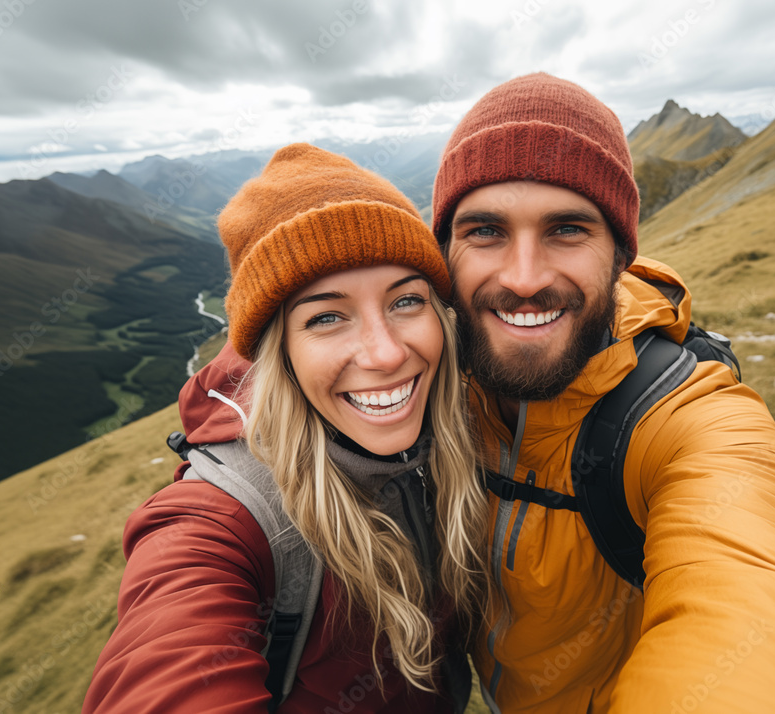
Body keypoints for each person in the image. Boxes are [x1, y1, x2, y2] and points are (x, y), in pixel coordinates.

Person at [429, 73, 775, 713]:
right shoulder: (429, 380)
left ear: (620, 254)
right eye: (484, 231)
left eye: (568, 229)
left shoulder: (687, 419)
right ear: (445, 255)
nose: (523, 277)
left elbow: (765, 602)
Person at [83, 144, 490, 713]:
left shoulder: (461, 429)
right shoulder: (224, 524)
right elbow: (167, 658)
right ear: (281, 354)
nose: (385, 352)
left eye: (406, 301)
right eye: (326, 316)